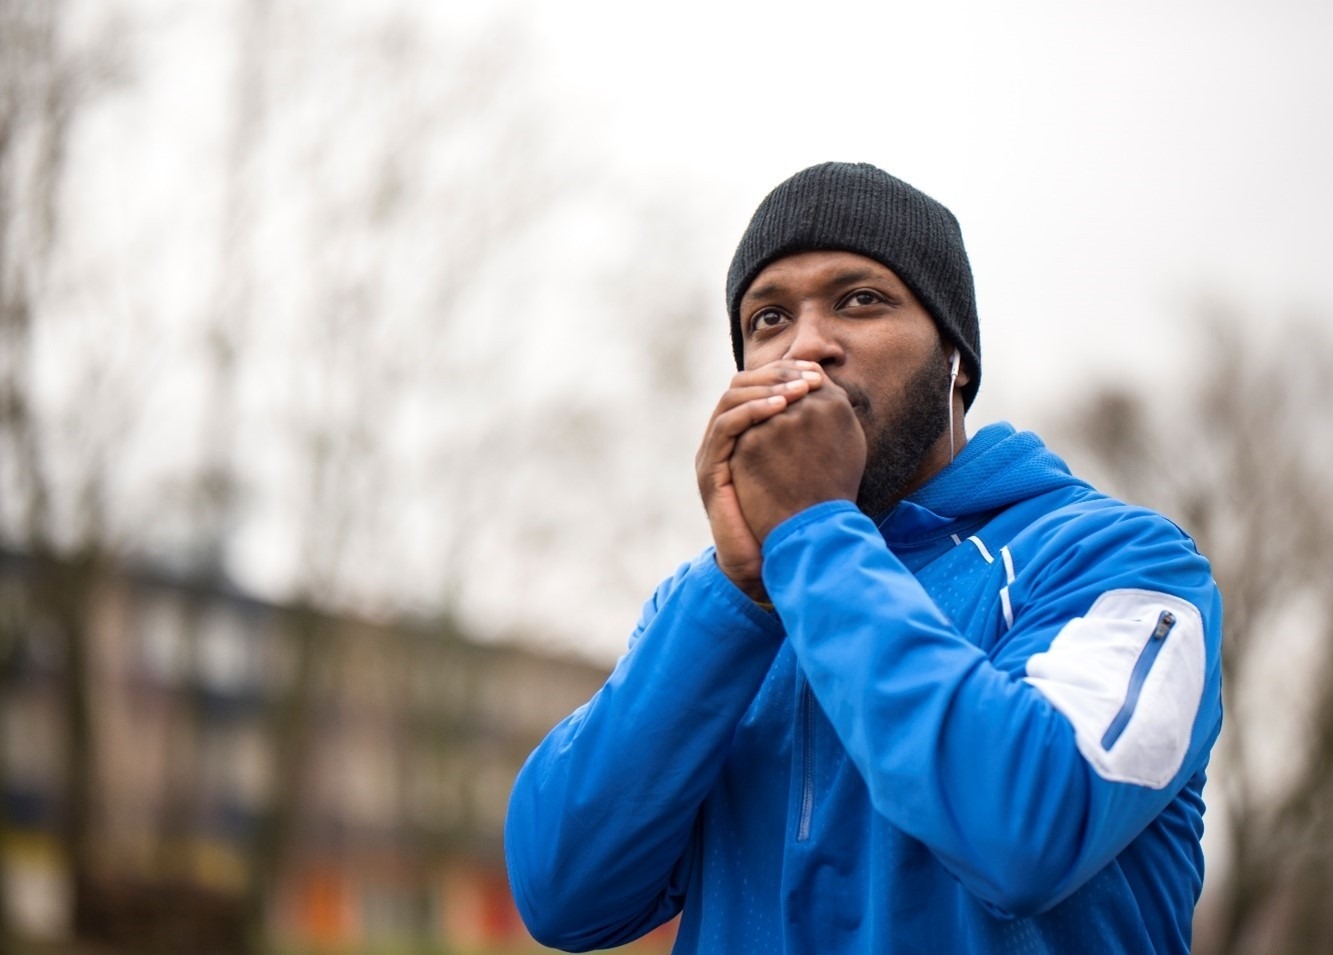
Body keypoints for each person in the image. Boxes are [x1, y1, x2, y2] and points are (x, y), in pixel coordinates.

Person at [504, 162, 1223, 954]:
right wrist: (738, 593)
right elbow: (561, 892)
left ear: (957, 359)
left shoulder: (1123, 562)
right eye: (769, 318)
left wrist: (813, 530)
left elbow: (1030, 824)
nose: (807, 346)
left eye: (860, 300)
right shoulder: (717, 613)